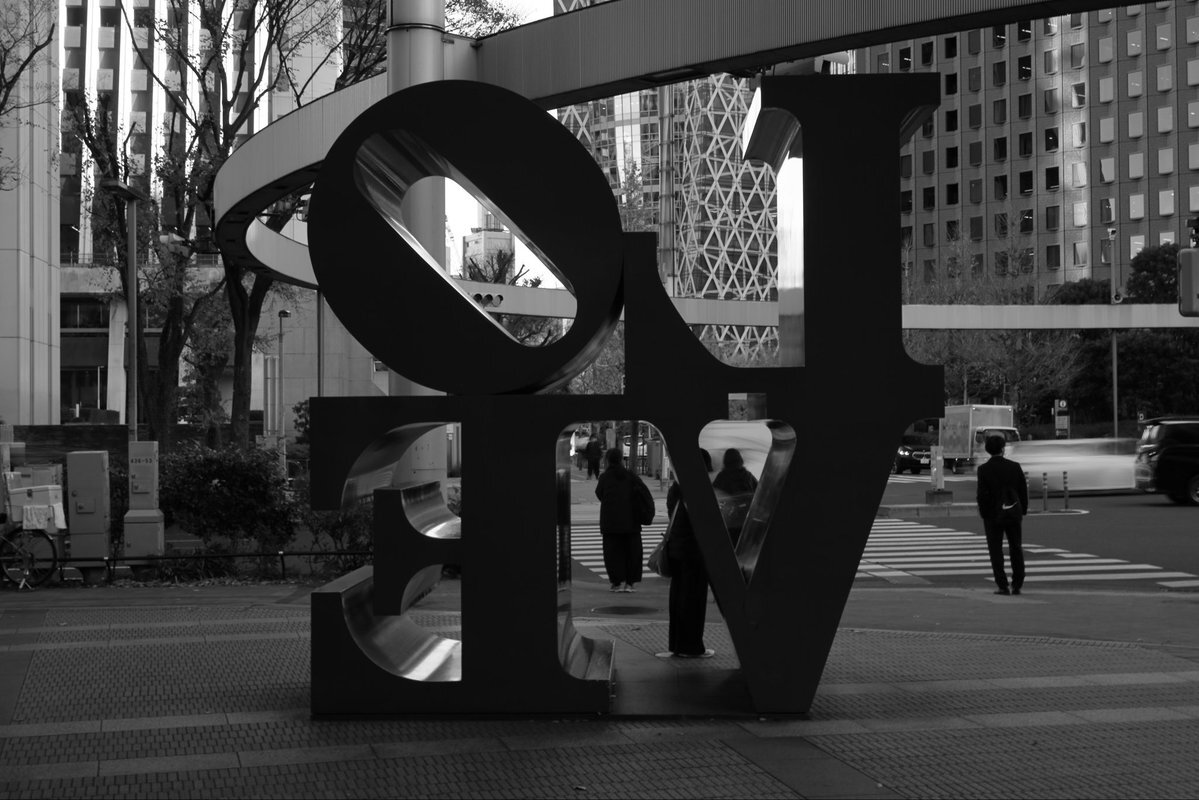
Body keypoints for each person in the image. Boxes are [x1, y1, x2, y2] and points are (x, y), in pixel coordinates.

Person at [659, 448, 715, 659]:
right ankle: (691, 647)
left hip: (677, 549)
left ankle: (677, 644)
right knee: (693, 600)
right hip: (694, 551)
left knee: (678, 597)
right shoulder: (699, 488)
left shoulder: (677, 486)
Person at [976, 434, 1029, 596]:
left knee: (995, 550)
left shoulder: (983, 469)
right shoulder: (1014, 467)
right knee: (1016, 547)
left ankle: (1002, 585)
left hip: (993, 514)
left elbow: (982, 495)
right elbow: (1022, 490)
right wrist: (1022, 509)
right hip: (1013, 511)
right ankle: (1017, 584)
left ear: (988, 450)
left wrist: (984, 513)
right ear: (1003, 449)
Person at [595, 447, 650, 592]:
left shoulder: (605, 477)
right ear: (621, 459)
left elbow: (599, 494)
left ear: (607, 460)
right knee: (632, 553)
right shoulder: (631, 476)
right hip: (631, 521)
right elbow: (642, 493)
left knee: (612, 554)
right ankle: (630, 584)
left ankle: (616, 583)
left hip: (611, 522)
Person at [712, 448, 758, 545]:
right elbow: (759, 492)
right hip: (748, 520)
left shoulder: (721, 477)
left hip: (730, 522)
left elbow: (714, 496)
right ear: (740, 460)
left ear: (725, 461)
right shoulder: (748, 476)